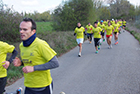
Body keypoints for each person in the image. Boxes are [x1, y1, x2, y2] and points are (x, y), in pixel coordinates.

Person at [13, 18, 59, 94]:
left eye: (25, 29)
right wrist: (21, 63)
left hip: (43, 86)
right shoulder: (22, 45)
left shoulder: (40, 44)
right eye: (20, 29)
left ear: (33, 31)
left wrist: (34, 68)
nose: (21, 32)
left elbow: (55, 63)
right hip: (28, 86)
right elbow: (32, 61)